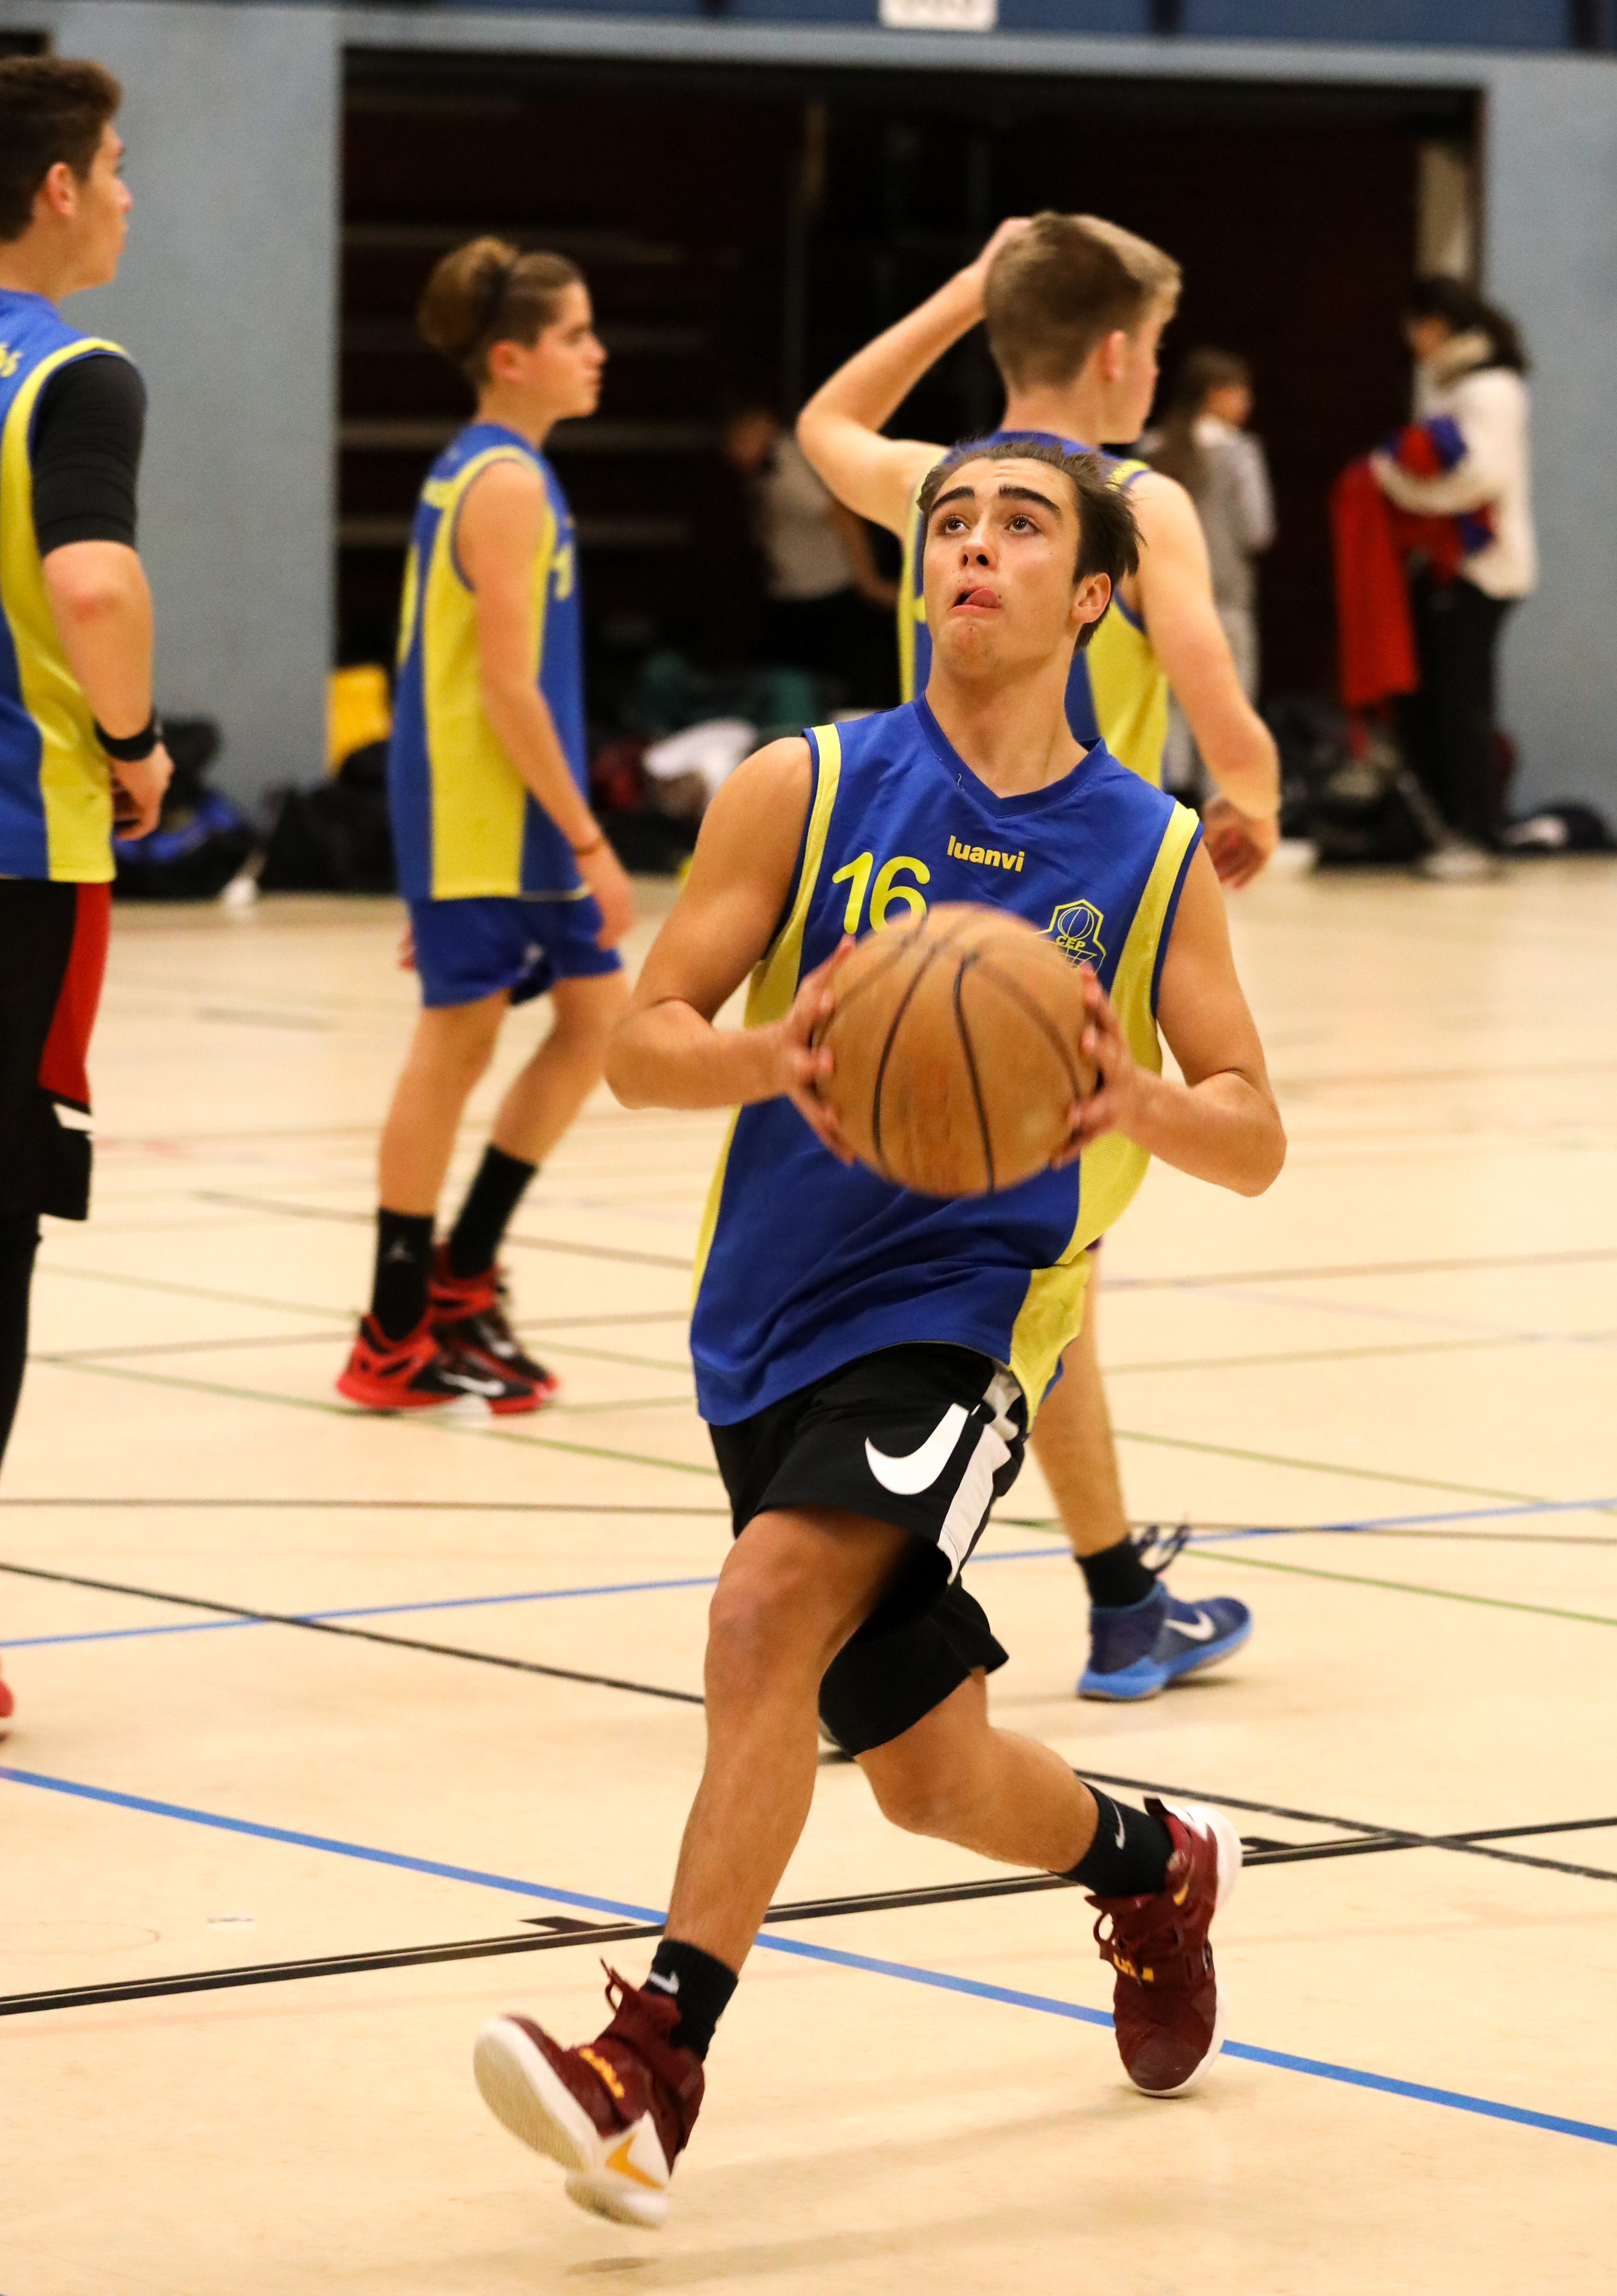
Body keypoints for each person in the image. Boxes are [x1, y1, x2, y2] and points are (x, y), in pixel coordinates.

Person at [471, 440, 1286, 2227]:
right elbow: (645, 1046)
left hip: (968, 1319)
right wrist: (773, 1055)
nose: (974, 541)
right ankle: (1153, 1862)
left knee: (762, 1608)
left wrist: (1135, 1097)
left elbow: (1252, 1133)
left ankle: (650, 2069)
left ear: (1092, 598)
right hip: (767, 1312)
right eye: (951, 519)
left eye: (1022, 524)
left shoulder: (1148, 851)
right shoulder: (805, 783)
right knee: (925, 1774)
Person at [795, 212, 1280, 1701]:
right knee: (1020, 1282)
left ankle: (1116, 1589)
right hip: (1061, 928)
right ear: (1124, 354)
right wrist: (1253, 792)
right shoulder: (1127, 500)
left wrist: (964, 290)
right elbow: (1210, 676)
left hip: (907, 917)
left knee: (1021, 1284)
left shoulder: (945, 489)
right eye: (1155, 347)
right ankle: (868, 1628)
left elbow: (826, 421)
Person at [0, 56, 173, 1742]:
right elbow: (93, 583)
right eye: (117, 166)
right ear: (55, 189)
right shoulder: (69, 375)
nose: (129, 197)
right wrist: (138, 742)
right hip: (0, 867)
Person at [336, 238, 635, 1414]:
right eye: (575, 335)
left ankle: (460, 1273)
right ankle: (394, 1324)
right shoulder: (502, 481)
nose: (597, 352)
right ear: (510, 358)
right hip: (485, 813)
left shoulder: (496, 468)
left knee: (594, 1020)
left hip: (492, 813)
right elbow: (507, 691)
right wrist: (593, 839)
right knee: (455, 1045)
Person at [1372, 274, 1534, 880]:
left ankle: (1479, 835)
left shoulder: (1488, 389)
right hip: (1450, 570)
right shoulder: (1459, 386)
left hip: (1478, 570)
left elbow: (1479, 478)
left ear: (1435, 325)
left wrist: (1397, 483)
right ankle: (1452, 828)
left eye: (1414, 329)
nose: (1411, 342)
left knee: (1464, 706)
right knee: (1440, 704)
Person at [1145, 346, 1274, 796]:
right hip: (1224, 602)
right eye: (1240, 391)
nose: (1247, 402)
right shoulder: (1239, 454)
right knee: (1227, 713)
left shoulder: (1151, 449)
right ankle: (1222, 816)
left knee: (1168, 714)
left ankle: (1169, 812)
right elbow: (1258, 530)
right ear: (1214, 393)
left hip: (1160, 604)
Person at [721, 400, 896, 707]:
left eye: (742, 438)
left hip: (825, 591)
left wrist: (868, 581)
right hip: (791, 590)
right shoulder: (761, 470)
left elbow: (841, 514)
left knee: (835, 688)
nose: (736, 450)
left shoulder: (788, 466)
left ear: (764, 425)